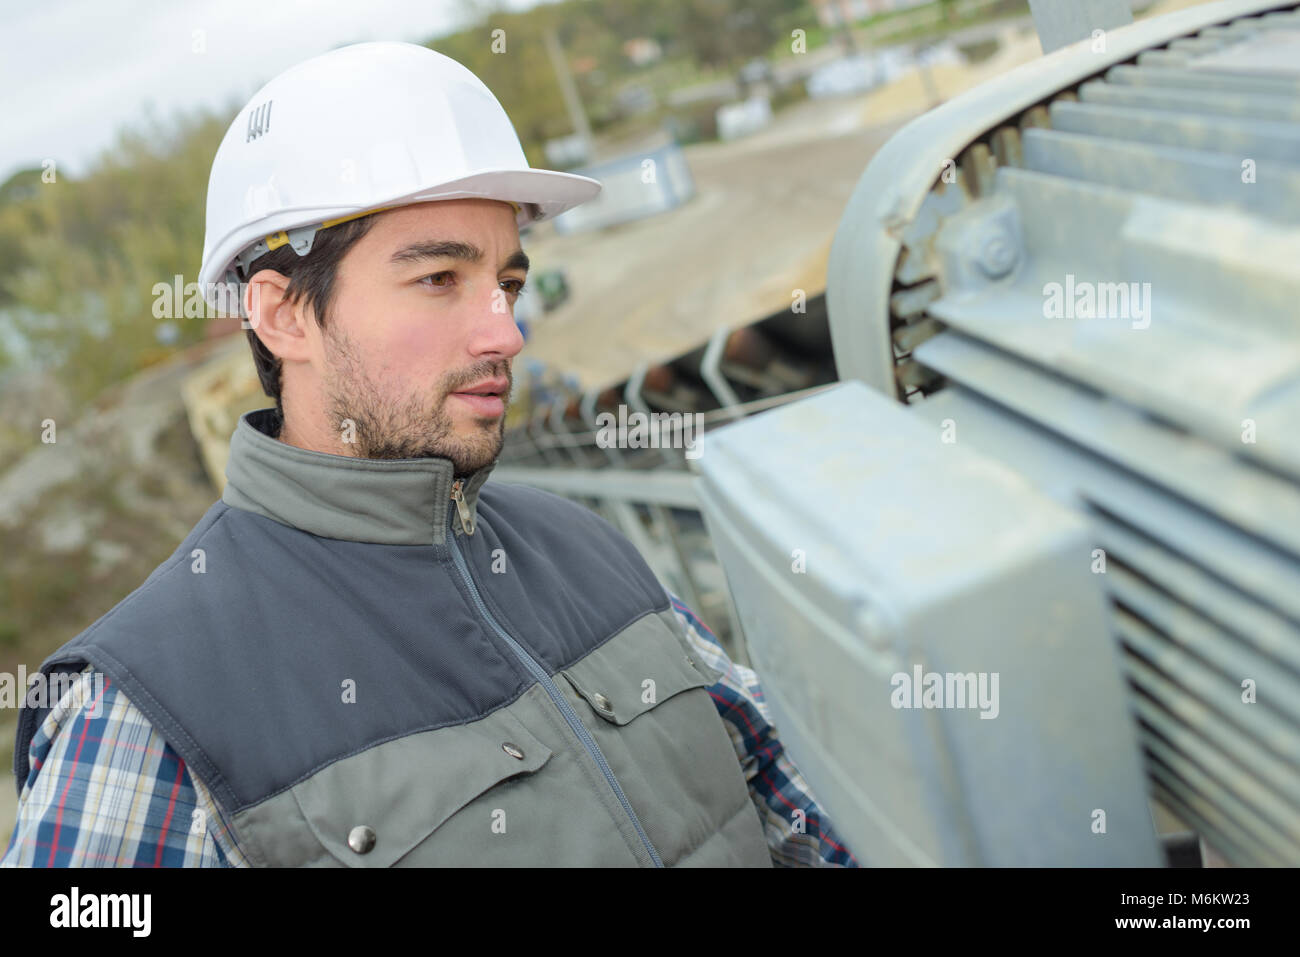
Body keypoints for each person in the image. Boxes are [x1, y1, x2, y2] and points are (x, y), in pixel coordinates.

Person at [2, 41, 856, 868]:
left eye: (508, 285)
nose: (505, 333)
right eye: (439, 279)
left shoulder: (588, 550)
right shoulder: (146, 713)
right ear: (284, 315)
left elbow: (800, 821)